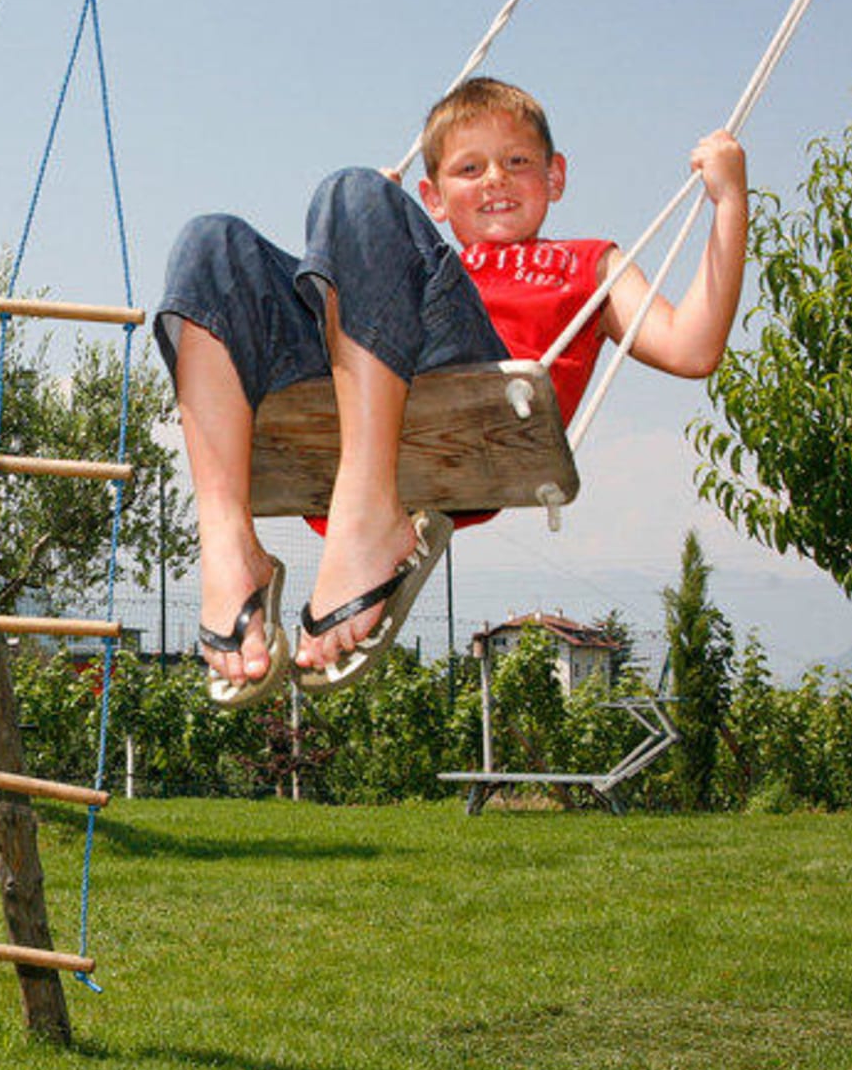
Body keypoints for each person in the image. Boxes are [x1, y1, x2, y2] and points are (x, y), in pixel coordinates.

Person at [155, 76, 748, 706]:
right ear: (434, 198)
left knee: (353, 194)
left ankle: (370, 519)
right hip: (352, 390)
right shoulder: (433, 258)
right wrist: (364, 240)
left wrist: (730, 202)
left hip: (476, 391)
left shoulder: (589, 263)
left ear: (555, 177)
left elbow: (692, 348)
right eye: (470, 168)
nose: (495, 179)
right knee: (210, 243)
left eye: (517, 162)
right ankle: (228, 545)